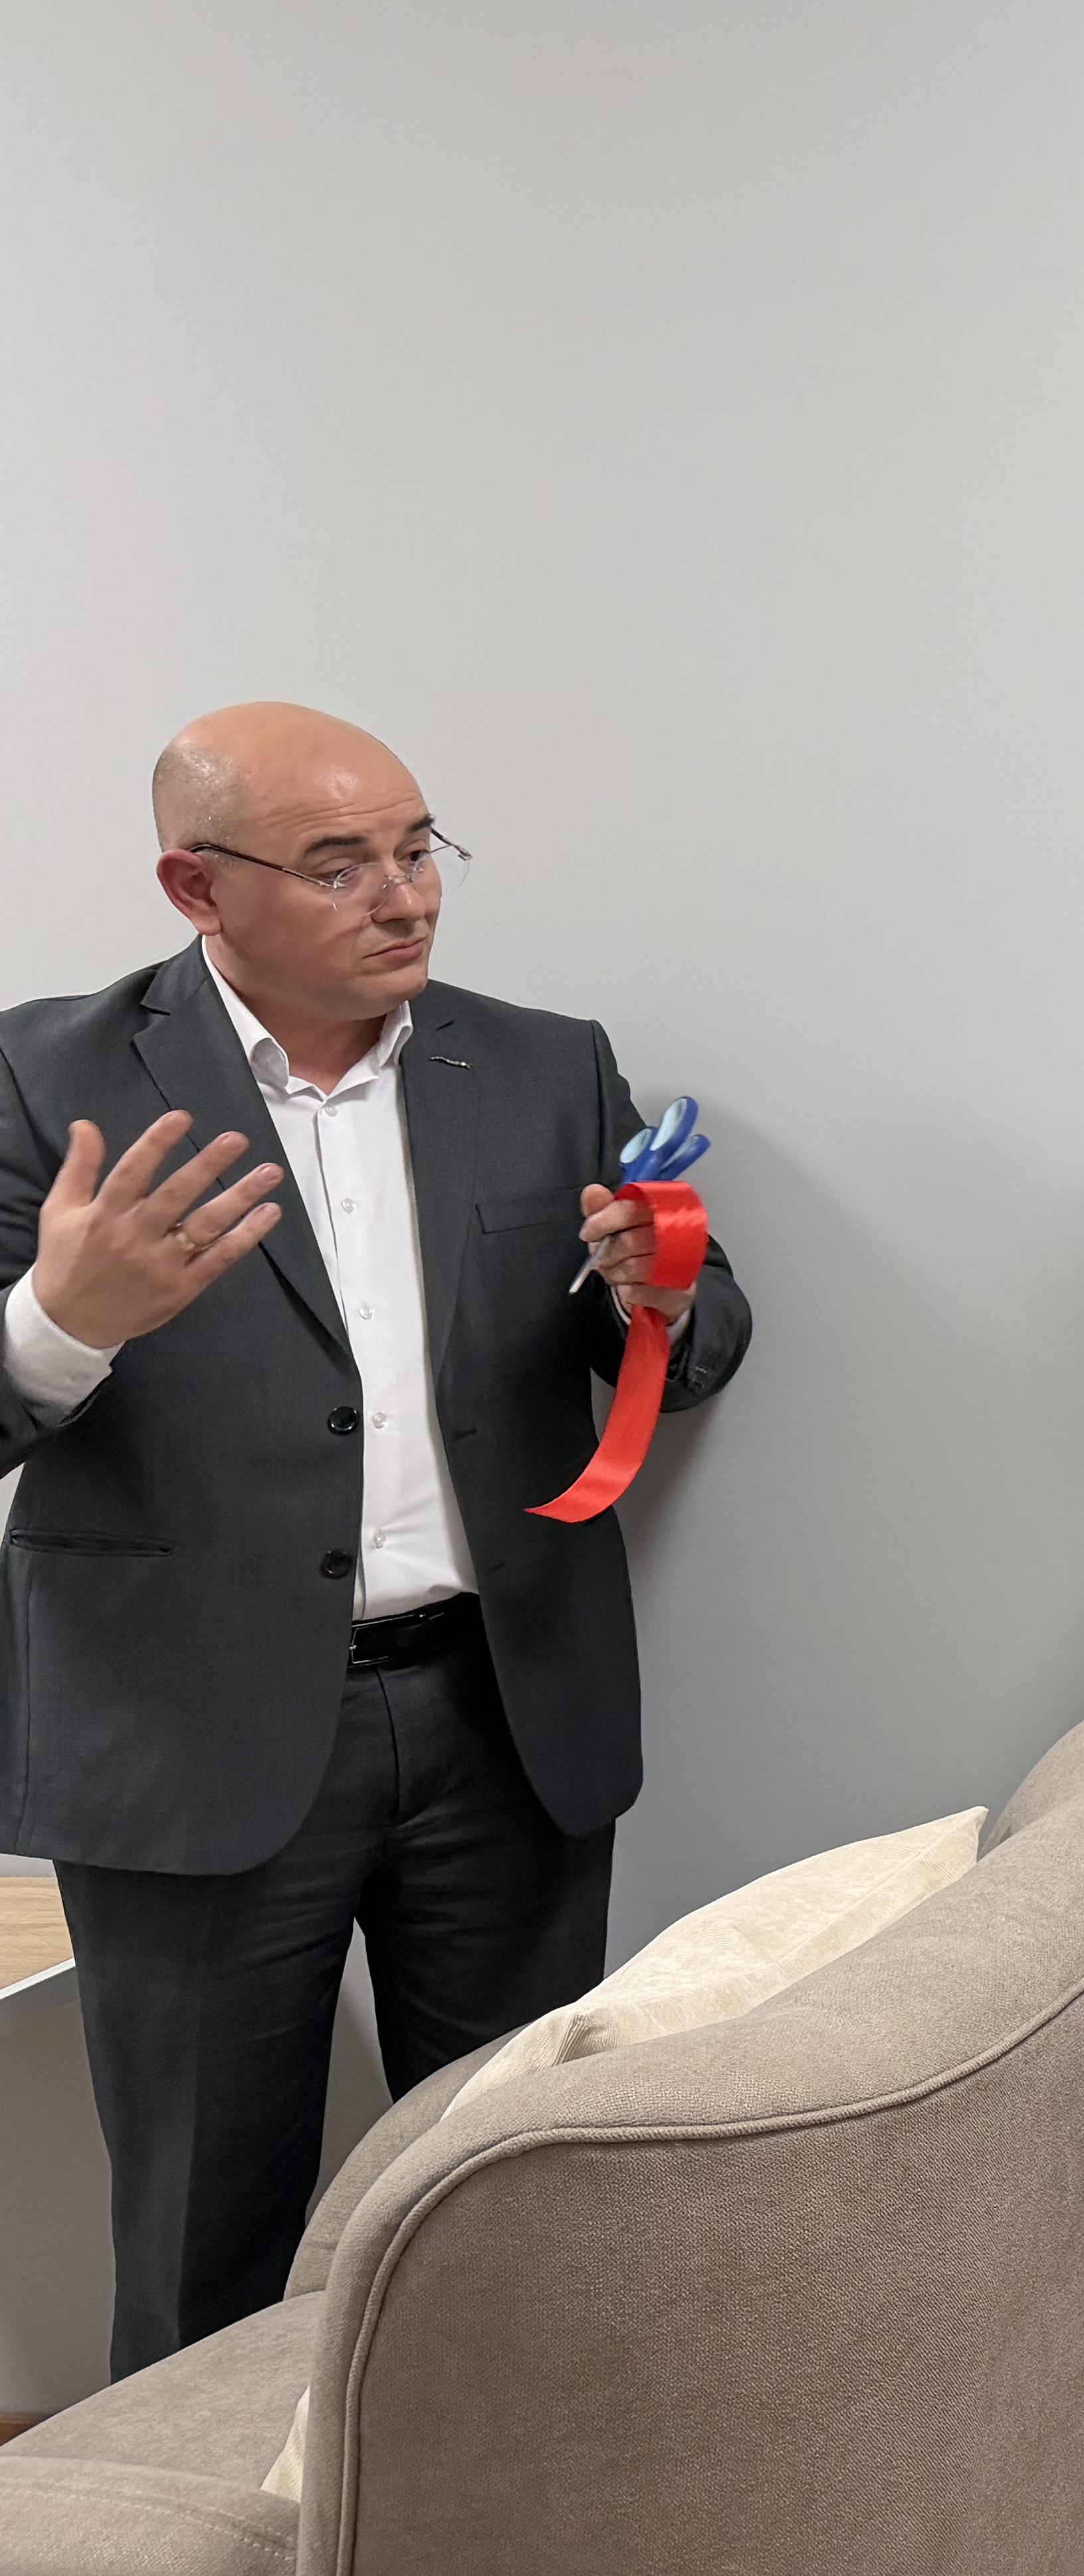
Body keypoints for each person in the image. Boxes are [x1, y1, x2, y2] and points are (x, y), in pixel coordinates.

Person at [0, 703, 748, 2376]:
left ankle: (487, 2511)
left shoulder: (549, 1064)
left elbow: (692, 1342)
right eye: (340, 865)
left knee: (511, 2213)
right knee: (205, 2244)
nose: (405, 896)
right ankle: (211, 2517)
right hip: (192, 1738)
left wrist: (665, 1295)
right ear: (197, 886)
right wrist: (64, 1318)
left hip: (506, 1717)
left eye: (419, 849)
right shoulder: (42, 1077)